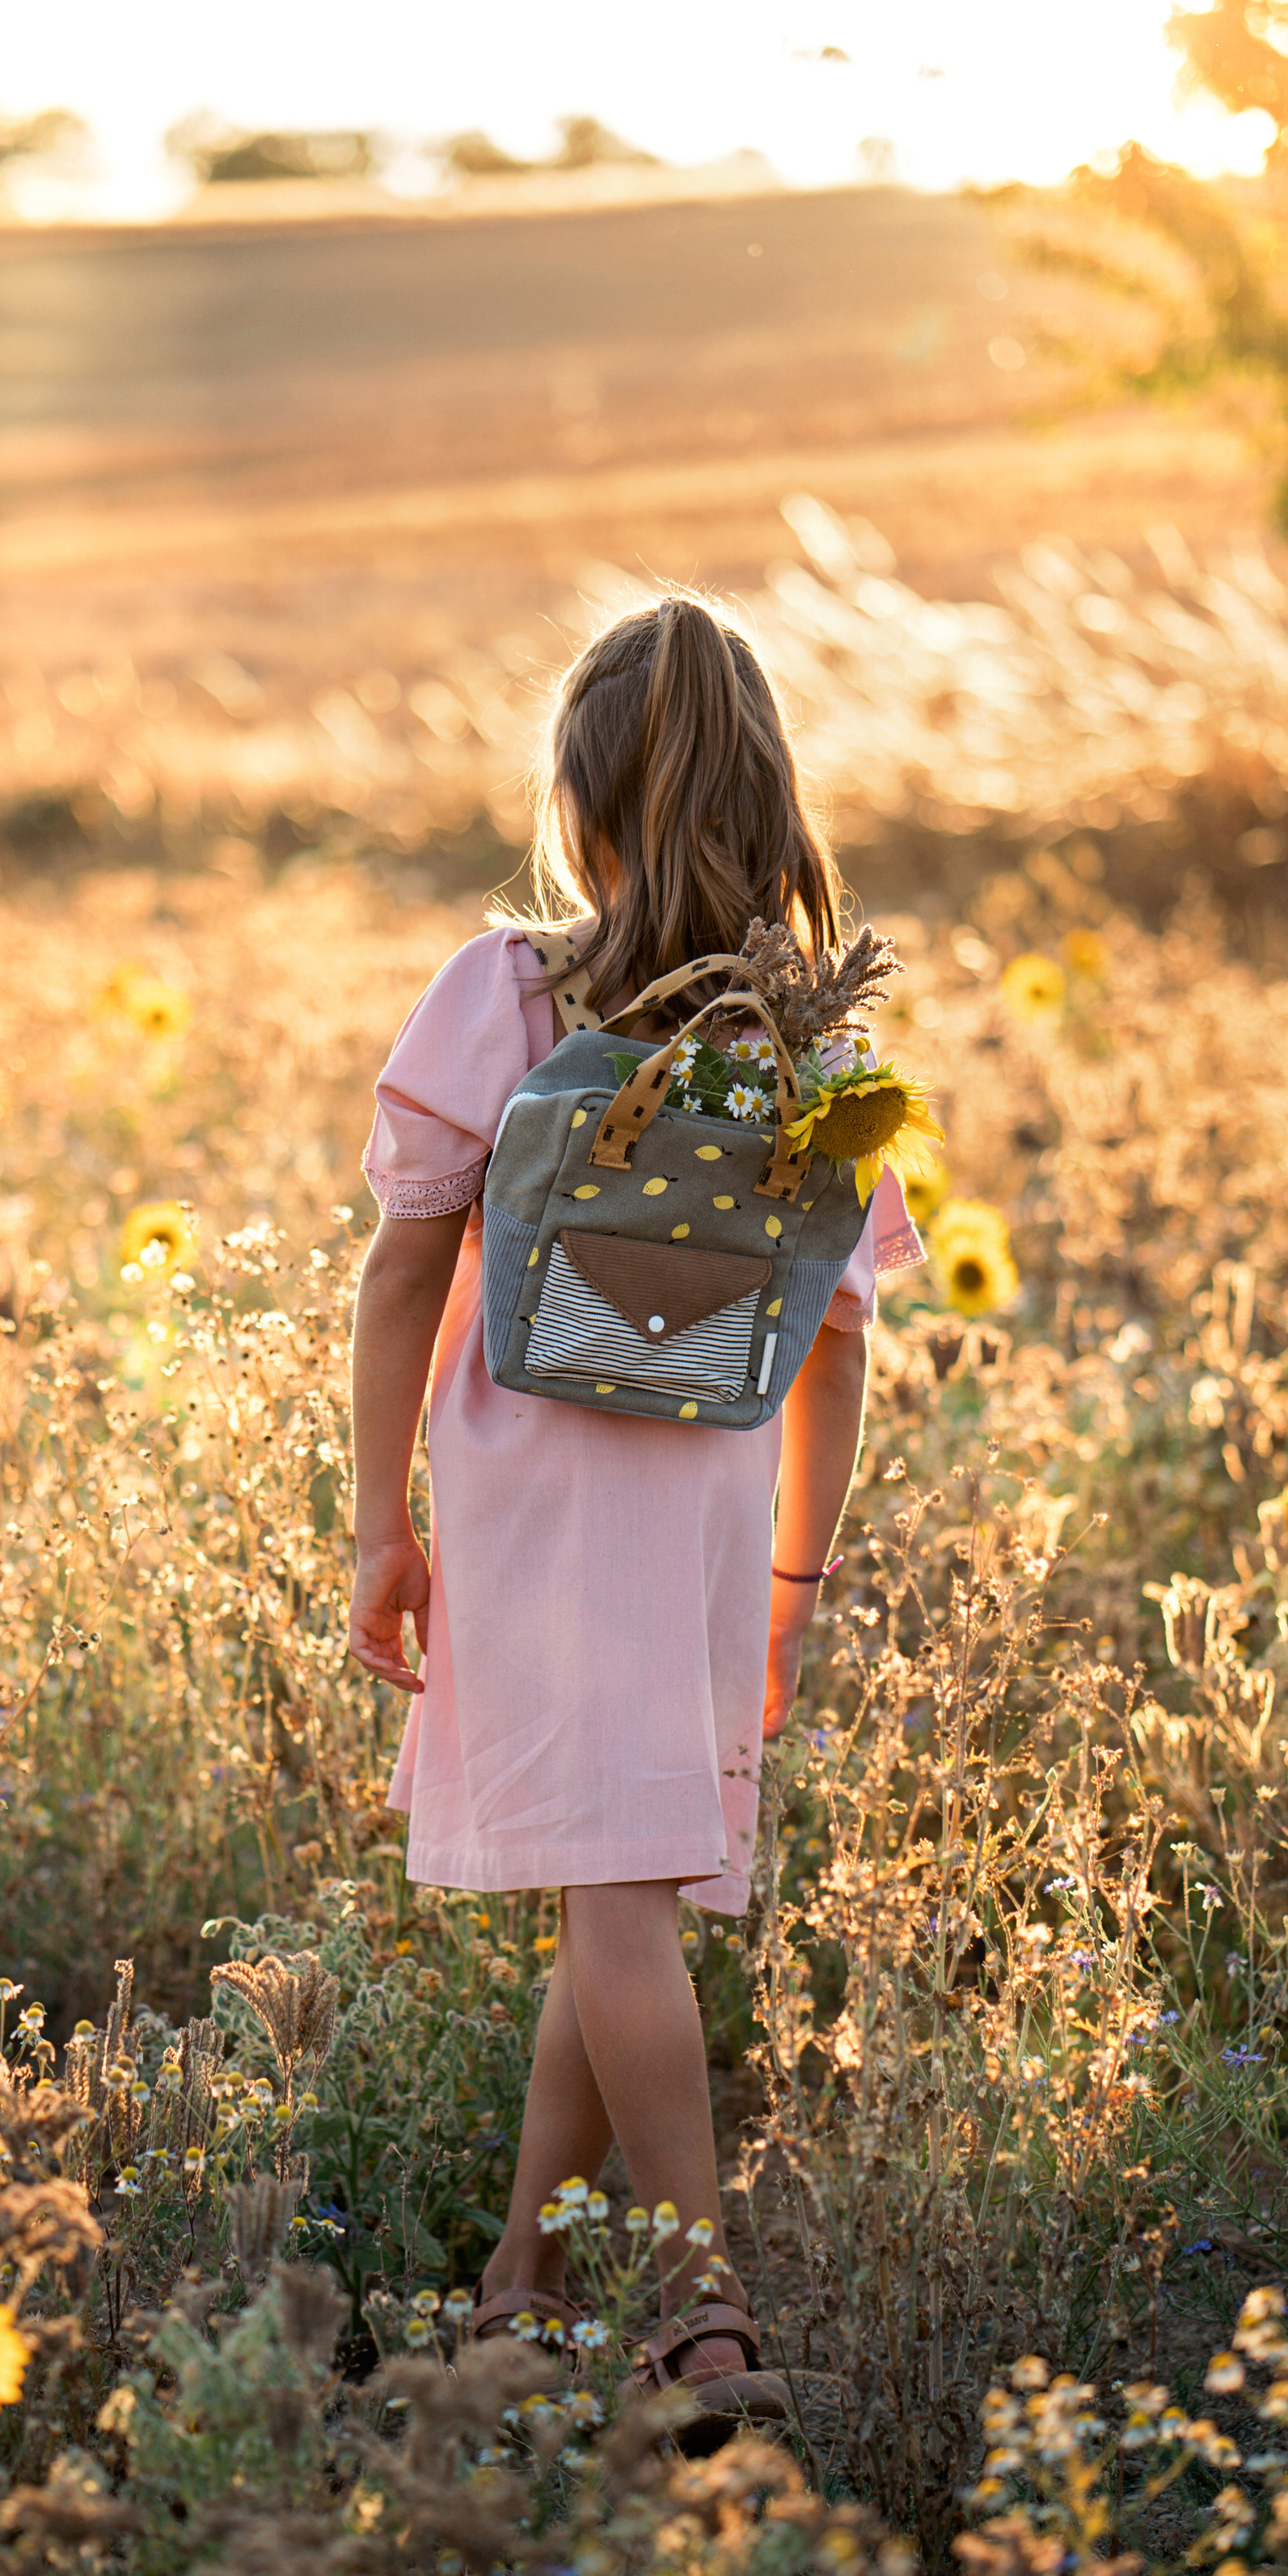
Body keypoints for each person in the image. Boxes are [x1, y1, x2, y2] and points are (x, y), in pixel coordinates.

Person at [345, 593, 922, 2432]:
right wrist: (792, 1579)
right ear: (771, 799)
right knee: (620, 1889)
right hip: (694, 1524)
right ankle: (523, 2284)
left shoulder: (508, 991)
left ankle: (693, 2321)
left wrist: (378, 1522)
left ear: (578, 806)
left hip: (530, 1512)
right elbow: (835, 1341)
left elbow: (398, 1270)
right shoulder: (809, 1054)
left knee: (611, 1899)